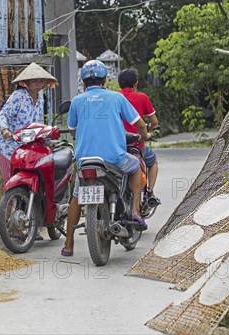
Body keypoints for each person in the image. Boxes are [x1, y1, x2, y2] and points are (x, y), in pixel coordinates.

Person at [61, 60, 150, 257]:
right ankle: (135, 210)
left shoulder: (77, 101)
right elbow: (141, 124)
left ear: (84, 82)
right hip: (114, 159)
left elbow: (72, 131)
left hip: (85, 161)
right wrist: (145, 137)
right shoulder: (116, 98)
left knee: (76, 197)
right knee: (136, 165)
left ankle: (68, 244)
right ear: (104, 80)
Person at [0, 62, 57, 184]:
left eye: (41, 81)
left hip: (25, 150)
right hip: (6, 147)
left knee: (28, 183)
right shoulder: (18, 96)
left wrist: (46, 140)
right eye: (34, 81)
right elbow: (3, 114)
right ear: (26, 83)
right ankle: (9, 203)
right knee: (11, 183)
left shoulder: (41, 100)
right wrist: (5, 130)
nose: (37, 84)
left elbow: (36, 126)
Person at [117, 68, 160, 200]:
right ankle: (150, 193)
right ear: (136, 83)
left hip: (117, 145)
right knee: (153, 163)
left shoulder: (114, 98)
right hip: (137, 144)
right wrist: (148, 130)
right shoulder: (142, 98)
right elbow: (154, 122)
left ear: (119, 84)